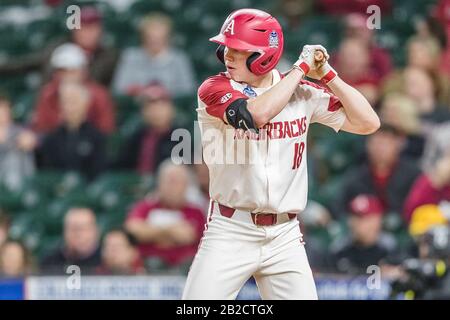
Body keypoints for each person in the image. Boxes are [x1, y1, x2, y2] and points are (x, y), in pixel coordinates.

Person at [182, 9, 380, 300]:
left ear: (265, 56)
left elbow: (368, 122)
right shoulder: (214, 87)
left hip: (285, 235)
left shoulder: (300, 93)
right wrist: (300, 69)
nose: (228, 55)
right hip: (231, 228)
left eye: (239, 51)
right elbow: (257, 114)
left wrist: (327, 74)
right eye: (227, 48)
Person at [0, 6, 119, 87]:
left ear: (100, 31)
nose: (87, 33)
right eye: (83, 27)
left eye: (92, 28)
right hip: (53, 104)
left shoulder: (108, 56)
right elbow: (25, 63)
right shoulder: (59, 48)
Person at [125, 161, 206, 271]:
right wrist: (170, 232)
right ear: (159, 183)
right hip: (148, 268)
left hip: (185, 270)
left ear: (186, 185)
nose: (171, 187)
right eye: (168, 181)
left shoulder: (196, 212)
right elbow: (132, 229)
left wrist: (149, 233)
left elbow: (189, 236)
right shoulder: (146, 207)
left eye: (176, 182)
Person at [335, 124, 421, 219]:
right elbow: (340, 207)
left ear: (397, 145)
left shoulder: (413, 174)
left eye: (385, 143)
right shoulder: (356, 176)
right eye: (375, 142)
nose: (379, 148)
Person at [32, 43, 116, 135]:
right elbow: (41, 128)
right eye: (62, 71)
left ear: (83, 71)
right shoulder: (48, 95)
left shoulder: (100, 96)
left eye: (72, 71)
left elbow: (106, 129)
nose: (67, 76)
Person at [112, 12, 196, 97]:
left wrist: (163, 93)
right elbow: (119, 89)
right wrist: (141, 91)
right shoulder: (130, 56)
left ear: (168, 38)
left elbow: (188, 91)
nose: (155, 42)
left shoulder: (179, 59)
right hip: (137, 106)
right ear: (143, 37)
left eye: (160, 38)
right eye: (151, 38)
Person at [37, 81, 107, 179]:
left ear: (86, 104)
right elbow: (47, 173)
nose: (68, 107)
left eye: (73, 102)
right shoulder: (51, 139)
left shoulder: (96, 138)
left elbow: (99, 173)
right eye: (65, 102)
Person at [115, 82, 179, 175]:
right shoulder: (136, 137)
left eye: (160, 105)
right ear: (143, 111)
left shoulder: (181, 137)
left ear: (171, 109)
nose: (155, 111)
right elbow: (121, 167)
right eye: (150, 106)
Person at [329, 194, 397, 275]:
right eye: (354, 217)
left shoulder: (390, 249)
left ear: (377, 220)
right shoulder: (339, 250)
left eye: (364, 218)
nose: (357, 223)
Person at [40, 208, 101, 274]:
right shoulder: (50, 262)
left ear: (95, 231)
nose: (78, 234)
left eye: (82, 229)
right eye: (73, 229)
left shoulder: (106, 260)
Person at [0, 93, 37, 190]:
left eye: (5, 107)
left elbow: (32, 141)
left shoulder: (20, 131)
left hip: (19, 181)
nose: (3, 112)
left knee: (14, 157)